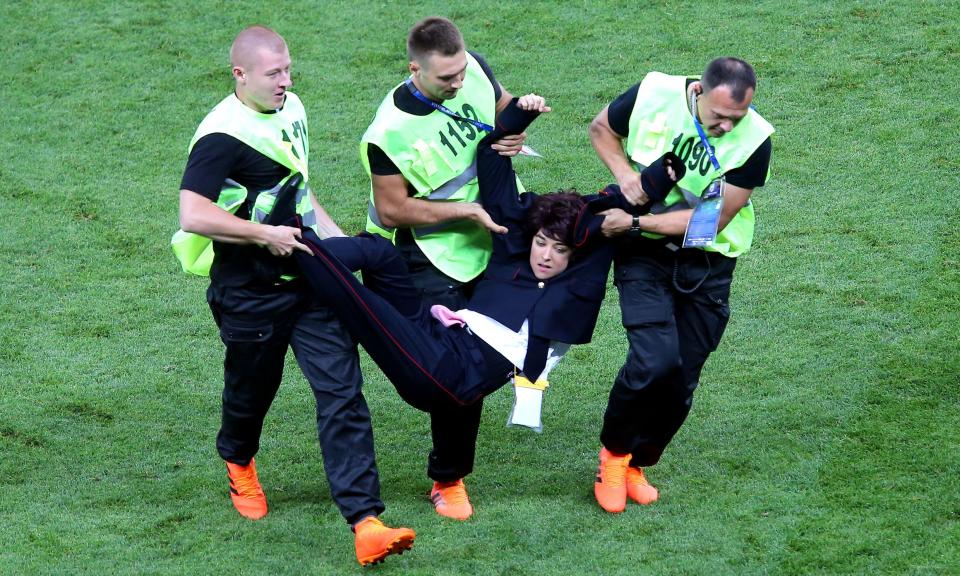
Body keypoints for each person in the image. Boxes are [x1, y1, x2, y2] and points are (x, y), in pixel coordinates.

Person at [291, 97, 681, 519]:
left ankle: (289, 249)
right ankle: (294, 255)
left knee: (358, 302)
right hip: (437, 331)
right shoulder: (513, 251)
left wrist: (666, 172)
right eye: (542, 243)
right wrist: (519, 116)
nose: (547, 256)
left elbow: (615, 207)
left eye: (560, 249)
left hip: (444, 376)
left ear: (576, 252)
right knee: (377, 253)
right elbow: (493, 166)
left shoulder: (577, 280)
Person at [176, 25, 413, 566]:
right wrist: (265, 235)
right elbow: (193, 213)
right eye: (274, 73)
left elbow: (298, 190)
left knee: (342, 392)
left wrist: (334, 247)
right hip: (248, 293)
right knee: (251, 393)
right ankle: (239, 462)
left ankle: (366, 521)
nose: (286, 80)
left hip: (307, 281)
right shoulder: (221, 136)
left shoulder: (292, 107)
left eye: (288, 70)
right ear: (240, 75)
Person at [359, 16, 540, 520]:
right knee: (456, 366)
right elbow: (393, 210)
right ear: (414, 69)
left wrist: (515, 128)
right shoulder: (387, 132)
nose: (459, 84)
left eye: (461, 72)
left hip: (494, 235)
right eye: (446, 79)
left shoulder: (473, 70)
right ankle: (449, 478)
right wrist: (466, 211)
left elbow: (500, 115)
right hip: (428, 256)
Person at [587, 57, 775, 513]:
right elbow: (601, 129)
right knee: (654, 360)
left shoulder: (756, 140)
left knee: (682, 378)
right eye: (718, 117)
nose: (728, 127)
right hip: (643, 255)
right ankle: (612, 457)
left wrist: (635, 220)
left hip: (708, 262)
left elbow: (714, 219)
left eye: (737, 117)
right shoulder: (653, 92)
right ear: (698, 93)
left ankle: (637, 461)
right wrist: (626, 177)